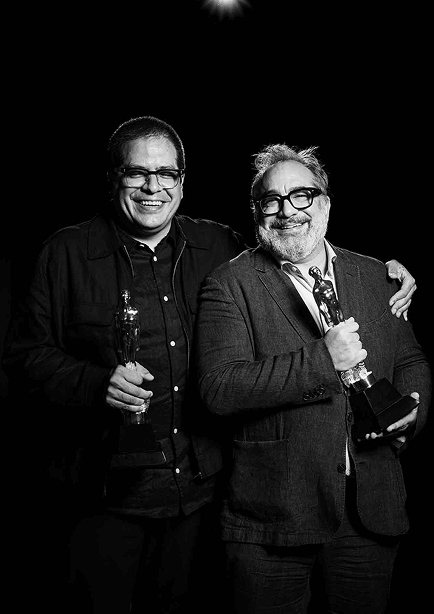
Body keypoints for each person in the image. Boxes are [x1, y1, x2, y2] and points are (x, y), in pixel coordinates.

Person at [1, 120, 416, 614]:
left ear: (182, 181)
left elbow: (292, 246)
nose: (153, 187)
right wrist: (95, 384)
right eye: (137, 173)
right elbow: (22, 359)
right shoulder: (64, 253)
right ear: (114, 178)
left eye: (166, 174)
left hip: (199, 496)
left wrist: (383, 273)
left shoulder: (218, 244)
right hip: (102, 494)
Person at [195, 144, 431, 613]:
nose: (287, 211)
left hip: (370, 513)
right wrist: (324, 360)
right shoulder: (229, 284)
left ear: (324, 203)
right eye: (271, 200)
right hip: (274, 517)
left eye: (301, 195)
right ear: (256, 212)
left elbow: (410, 359)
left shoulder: (376, 276)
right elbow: (219, 388)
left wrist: (412, 410)